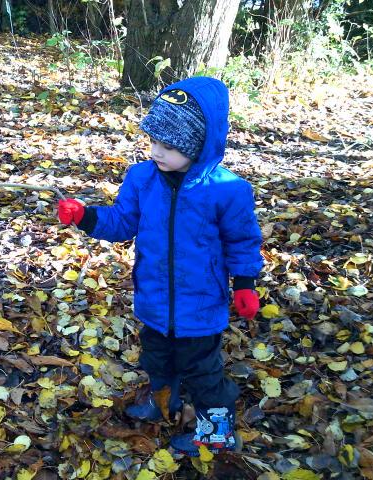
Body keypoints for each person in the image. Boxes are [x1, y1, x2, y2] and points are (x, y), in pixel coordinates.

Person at [57, 76, 263, 457]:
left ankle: (217, 432)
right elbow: (122, 222)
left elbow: (242, 240)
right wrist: (85, 217)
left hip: (200, 306)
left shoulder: (226, 190)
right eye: (153, 141)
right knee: (156, 359)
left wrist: (246, 284)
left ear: (198, 144)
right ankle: (165, 401)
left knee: (204, 374)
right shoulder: (142, 179)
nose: (156, 152)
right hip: (154, 300)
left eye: (168, 146)